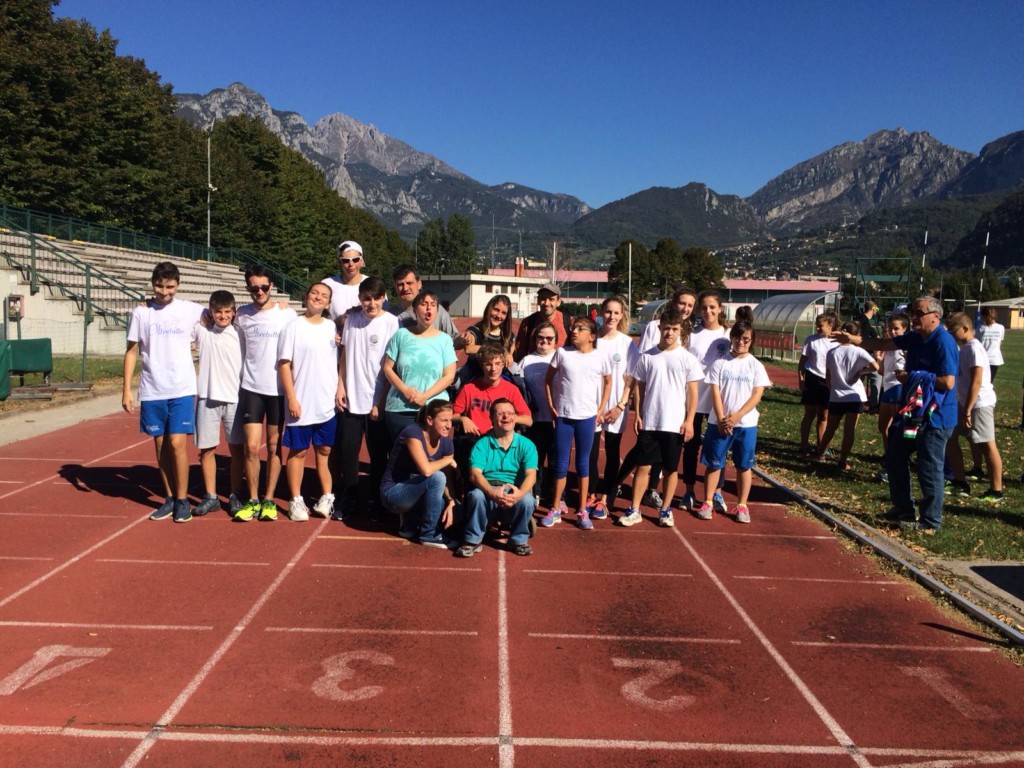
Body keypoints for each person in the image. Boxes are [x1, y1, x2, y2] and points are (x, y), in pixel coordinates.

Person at [832, 295, 958, 533]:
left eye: (918, 313)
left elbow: (948, 382)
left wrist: (912, 377)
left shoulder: (943, 342)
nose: (914, 318)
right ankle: (903, 507)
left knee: (929, 467)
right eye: (912, 313)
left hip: (934, 416)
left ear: (935, 316)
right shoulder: (915, 337)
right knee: (895, 455)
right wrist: (853, 340)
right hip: (912, 412)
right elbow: (884, 344)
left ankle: (931, 521)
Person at [122, 261, 206, 522]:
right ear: (152, 284)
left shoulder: (190, 309)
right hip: (152, 389)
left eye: (170, 287)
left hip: (181, 387)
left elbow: (223, 311)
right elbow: (131, 351)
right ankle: (169, 498)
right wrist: (126, 390)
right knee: (160, 445)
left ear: (178, 285)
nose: (164, 292)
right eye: (159, 286)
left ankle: (182, 500)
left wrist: (281, 308)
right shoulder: (141, 313)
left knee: (177, 443)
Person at [618, 308, 702, 528]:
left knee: (671, 469)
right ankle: (634, 509)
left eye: (674, 329)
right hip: (651, 422)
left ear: (680, 330)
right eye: (666, 328)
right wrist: (639, 414)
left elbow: (693, 393)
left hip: (674, 424)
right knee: (643, 466)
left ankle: (665, 510)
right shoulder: (647, 357)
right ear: (660, 328)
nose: (669, 333)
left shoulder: (688, 359)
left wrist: (689, 420)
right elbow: (639, 388)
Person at [233, 266, 299, 522]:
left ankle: (269, 499)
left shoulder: (287, 314)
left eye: (263, 287)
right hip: (251, 388)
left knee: (273, 446)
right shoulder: (242, 315)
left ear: (272, 286)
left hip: (278, 391)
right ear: (248, 288)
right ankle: (252, 499)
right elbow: (217, 318)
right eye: (254, 288)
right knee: (251, 447)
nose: (259, 292)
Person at [333, 276, 399, 521]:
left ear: (383, 298)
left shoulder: (391, 322)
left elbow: (392, 365)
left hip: (377, 401)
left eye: (376, 299)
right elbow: (345, 354)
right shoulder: (351, 320)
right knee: (348, 452)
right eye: (366, 299)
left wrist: (380, 401)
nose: (371, 304)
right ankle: (349, 497)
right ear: (359, 299)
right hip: (352, 398)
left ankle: (375, 499)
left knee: (378, 456)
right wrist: (341, 385)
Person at [696, 320, 772, 524]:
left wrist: (737, 416)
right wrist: (722, 418)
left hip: (745, 424)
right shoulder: (720, 363)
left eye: (746, 339)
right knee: (714, 464)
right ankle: (708, 502)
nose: (741, 342)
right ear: (732, 338)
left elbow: (757, 395)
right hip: (718, 423)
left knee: (744, 466)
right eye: (737, 338)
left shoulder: (756, 366)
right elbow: (715, 392)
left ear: (752, 340)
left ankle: (742, 505)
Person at [278, 283, 342, 521]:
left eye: (324, 296)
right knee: (299, 451)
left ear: (328, 303)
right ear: (306, 296)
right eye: (315, 293)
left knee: (324, 451)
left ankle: (326, 497)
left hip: (326, 403)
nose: (318, 297)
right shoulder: (293, 326)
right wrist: (292, 398)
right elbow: (284, 364)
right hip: (301, 402)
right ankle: (296, 500)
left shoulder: (331, 328)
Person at [541, 317, 611, 530]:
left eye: (581, 329)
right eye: (574, 328)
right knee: (561, 463)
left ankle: (582, 510)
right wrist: (551, 405)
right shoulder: (562, 353)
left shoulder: (600, 357)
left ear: (592, 336)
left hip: (587, 418)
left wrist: (600, 409)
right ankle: (555, 508)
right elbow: (548, 379)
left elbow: (608, 382)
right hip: (564, 416)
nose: (575, 331)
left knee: (583, 464)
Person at [457, 398, 538, 558]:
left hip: (513, 491)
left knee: (528, 500)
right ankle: (473, 541)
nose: (506, 417)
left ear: (515, 417)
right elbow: (475, 474)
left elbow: (531, 475)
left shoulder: (527, 445)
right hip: (488, 491)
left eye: (510, 413)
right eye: (500, 414)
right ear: (492, 418)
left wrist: (519, 494)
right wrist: (491, 492)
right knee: (476, 495)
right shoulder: (482, 444)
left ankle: (518, 541)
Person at [191, 289, 245, 517]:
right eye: (218, 312)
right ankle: (211, 496)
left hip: (235, 399)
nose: (223, 316)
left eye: (227, 312)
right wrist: (147, 303)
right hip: (207, 398)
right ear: (211, 312)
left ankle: (235, 495)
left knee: (237, 450)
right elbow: (181, 311)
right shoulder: (202, 330)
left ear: (234, 312)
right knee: (207, 450)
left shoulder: (240, 333)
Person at [380, 399, 458, 548]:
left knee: (445, 502)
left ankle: (409, 522)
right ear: (429, 420)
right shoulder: (412, 433)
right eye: (444, 421)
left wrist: (451, 500)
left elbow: (447, 478)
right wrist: (448, 459)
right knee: (437, 477)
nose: (449, 426)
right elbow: (426, 470)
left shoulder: (446, 442)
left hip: (415, 489)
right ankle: (429, 535)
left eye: (450, 421)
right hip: (393, 492)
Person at [679, 289, 731, 512]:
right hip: (694, 400)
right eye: (704, 308)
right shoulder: (692, 334)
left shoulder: (728, 335)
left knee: (719, 448)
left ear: (720, 309)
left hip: (719, 402)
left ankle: (716, 492)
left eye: (712, 307)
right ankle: (689, 490)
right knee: (690, 447)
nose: (708, 311)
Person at [587, 296, 638, 519]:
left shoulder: (627, 343)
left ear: (622, 315)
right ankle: (591, 493)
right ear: (601, 312)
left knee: (612, 451)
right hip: (592, 405)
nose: (611, 316)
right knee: (590, 453)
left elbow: (631, 378)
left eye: (616, 313)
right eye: (608, 312)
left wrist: (620, 405)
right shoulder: (593, 339)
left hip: (616, 406)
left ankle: (606, 498)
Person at [382, 290, 458, 440]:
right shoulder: (401, 335)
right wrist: (405, 390)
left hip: (434, 410)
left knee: (431, 452)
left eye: (433, 305)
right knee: (401, 452)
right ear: (415, 309)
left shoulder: (444, 340)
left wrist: (425, 396)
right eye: (424, 304)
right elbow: (387, 368)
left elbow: (449, 376)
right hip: (400, 409)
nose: (429, 308)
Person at [944, 313, 1003, 503]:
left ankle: (996, 490)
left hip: (979, 404)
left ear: (965, 329)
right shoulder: (964, 348)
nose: (950, 335)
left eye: (953, 331)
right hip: (963, 403)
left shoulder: (975, 348)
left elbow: (976, 382)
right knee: (950, 437)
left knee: (987, 445)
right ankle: (960, 482)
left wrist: (968, 410)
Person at [452, 343, 532, 469]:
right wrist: (463, 419)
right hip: (475, 441)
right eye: (488, 364)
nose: (493, 369)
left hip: (500, 442)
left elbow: (528, 420)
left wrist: (509, 419)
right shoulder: (469, 388)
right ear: (481, 365)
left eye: (498, 363)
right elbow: (452, 415)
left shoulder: (511, 390)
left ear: (503, 364)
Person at [816, 320, 879, 470]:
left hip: (837, 396)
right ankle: (842, 460)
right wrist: (859, 373)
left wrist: (832, 389)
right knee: (849, 430)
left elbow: (828, 376)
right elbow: (875, 366)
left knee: (831, 428)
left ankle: (820, 454)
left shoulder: (832, 352)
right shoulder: (859, 351)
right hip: (855, 396)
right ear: (857, 334)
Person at [516, 321, 558, 506]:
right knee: (536, 460)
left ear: (555, 340)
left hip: (557, 420)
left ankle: (557, 496)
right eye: (541, 337)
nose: (545, 341)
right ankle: (536, 492)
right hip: (534, 421)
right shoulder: (526, 361)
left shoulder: (561, 358)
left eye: (549, 338)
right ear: (535, 339)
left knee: (557, 461)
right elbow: (519, 391)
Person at [389, 264, 465, 347]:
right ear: (395, 287)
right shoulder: (389, 316)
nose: (405, 288)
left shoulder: (437, 311)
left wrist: (467, 339)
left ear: (419, 284)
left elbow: (454, 339)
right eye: (400, 284)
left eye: (409, 283)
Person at [798, 312, 838, 458]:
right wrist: (801, 380)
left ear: (830, 325)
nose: (818, 328)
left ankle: (822, 447)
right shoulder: (811, 340)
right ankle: (804, 445)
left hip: (828, 381)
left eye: (821, 325)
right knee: (809, 414)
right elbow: (802, 363)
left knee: (824, 415)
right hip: (812, 378)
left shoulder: (837, 341)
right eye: (817, 325)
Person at [875, 312, 909, 482]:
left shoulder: (905, 347)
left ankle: (896, 462)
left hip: (898, 387)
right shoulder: (889, 346)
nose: (892, 331)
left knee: (896, 429)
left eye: (896, 328)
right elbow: (882, 371)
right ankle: (890, 454)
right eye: (890, 328)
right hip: (887, 387)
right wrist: (879, 359)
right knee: (883, 427)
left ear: (905, 329)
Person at [511, 282, 572, 362]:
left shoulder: (569, 322)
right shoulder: (528, 323)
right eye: (543, 299)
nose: (546, 303)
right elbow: (519, 352)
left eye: (551, 299)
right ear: (538, 300)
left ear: (558, 302)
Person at [459, 294, 515, 380]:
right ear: (489, 308)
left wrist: (510, 354)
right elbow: (469, 348)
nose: (499, 316)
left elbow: (512, 345)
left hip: (499, 376)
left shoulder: (507, 334)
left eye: (503, 313)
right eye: (496, 310)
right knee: (457, 384)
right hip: (476, 375)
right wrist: (502, 350)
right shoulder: (476, 330)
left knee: (520, 382)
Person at [321, 240, 367, 328]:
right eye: (345, 260)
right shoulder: (326, 285)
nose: (351, 264)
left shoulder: (372, 284)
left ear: (361, 261)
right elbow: (317, 317)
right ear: (340, 262)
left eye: (355, 259)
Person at [855, 300, 882, 411]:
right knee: (873, 377)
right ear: (873, 309)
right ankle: (870, 404)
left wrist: (876, 336)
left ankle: (858, 402)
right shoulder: (864, 321)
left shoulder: (861, 319)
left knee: (859, 378)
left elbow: (871, 331)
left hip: (861, 353)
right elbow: (865, 339)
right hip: (865, 353)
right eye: (877, 309)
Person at [976, 306, 1005, 382]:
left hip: (988, 359)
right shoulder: (1000, 328)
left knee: (985, 381)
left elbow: (976, 343)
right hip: (989, 358)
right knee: (987, 381)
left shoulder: (981, 328)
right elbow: (1000, 343)